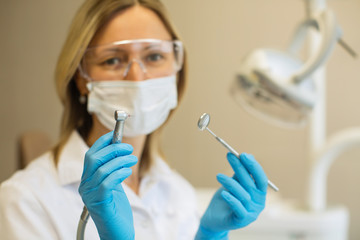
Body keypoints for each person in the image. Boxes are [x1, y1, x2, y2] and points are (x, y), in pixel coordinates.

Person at [0, 0, 268, 239]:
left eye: (154, 56)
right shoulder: (24, 202)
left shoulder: (177, 192)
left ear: (177, 72)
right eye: (113, 60)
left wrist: (210, 234)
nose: (138, 78)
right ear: (81, 78)